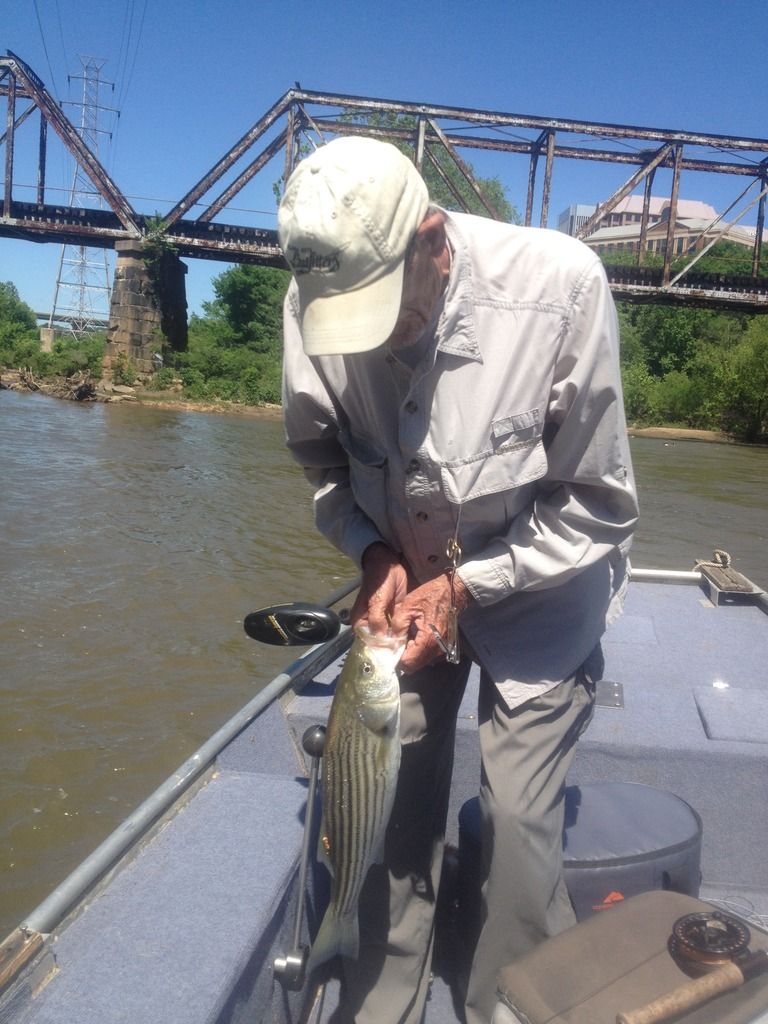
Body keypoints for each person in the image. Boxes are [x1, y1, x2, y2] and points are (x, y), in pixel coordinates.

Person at [278, 136, 638, 1024]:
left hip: (544, 587)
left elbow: (599, 503)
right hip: (402, 593)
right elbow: (324, 463)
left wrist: (468, 585)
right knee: (389, 817)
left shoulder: (563, 286)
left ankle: (512, 1004)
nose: (371, 340)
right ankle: (377, 1000)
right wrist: (371, 552)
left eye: (385, 311)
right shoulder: (314, 291)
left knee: (516, 828)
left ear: (433, 243)